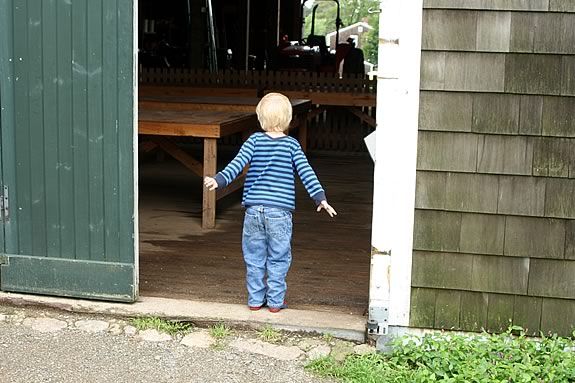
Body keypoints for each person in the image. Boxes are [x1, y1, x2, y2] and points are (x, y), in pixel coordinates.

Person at [203, 93, 337, 313]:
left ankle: (255, 299)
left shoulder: (254, 141)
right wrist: (319, 197)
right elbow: (306, 173)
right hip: (280, 213)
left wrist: (219, 180)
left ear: (260, 119)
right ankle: (275, 302)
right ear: (288, 120)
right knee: (278, 256)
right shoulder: (292, 146)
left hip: (254, 211)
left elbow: (236, 165)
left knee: (254, 256)